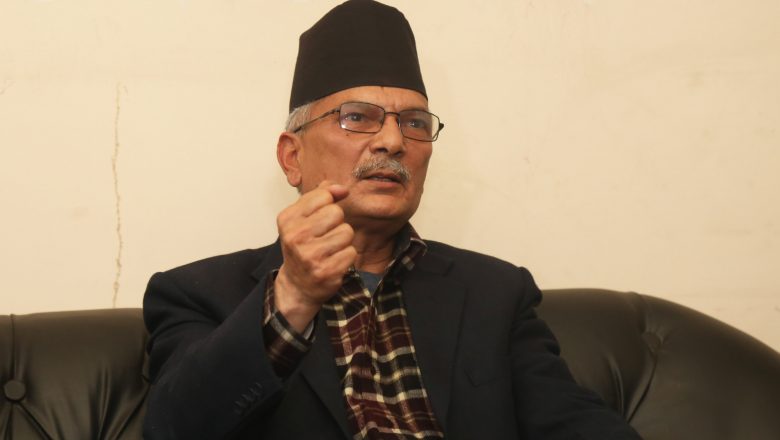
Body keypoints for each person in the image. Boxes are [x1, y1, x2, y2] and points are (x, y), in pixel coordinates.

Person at [142, 1, 643, 439]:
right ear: (292, 157)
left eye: (414, 123)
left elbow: (572, 422)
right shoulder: (198, 294)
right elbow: (173, 429)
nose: (393, 141)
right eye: (357, 117)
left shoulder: (496, 293)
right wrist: (292, 296)